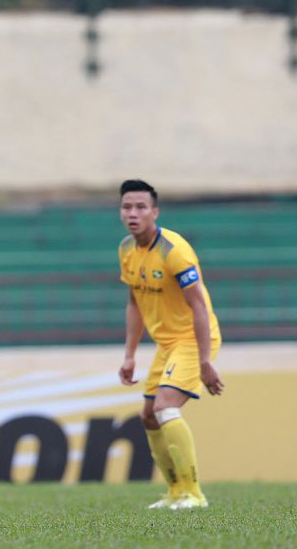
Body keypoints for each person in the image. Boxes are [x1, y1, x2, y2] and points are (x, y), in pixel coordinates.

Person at [117, 179, 224, 510]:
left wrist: (205, 361)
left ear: (155, 212)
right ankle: (176, 492)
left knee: (165, 406)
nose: (133, 213)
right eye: (126, 207)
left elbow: (199, 308)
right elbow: (134, 303)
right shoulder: (126, 250)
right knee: (149, 416)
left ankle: (195, 493)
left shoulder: (174, 251)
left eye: (140, 207)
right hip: (166, 344)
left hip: (193, 339)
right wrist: (130, 355)